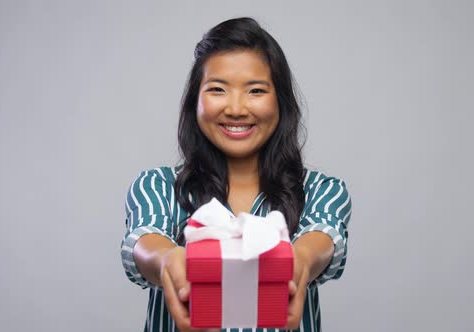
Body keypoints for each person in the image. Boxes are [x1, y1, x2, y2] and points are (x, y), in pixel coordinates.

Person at [120, 17, 352, 332]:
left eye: (255, 90)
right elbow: (146, 238)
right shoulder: (159, 186)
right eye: (218, 89)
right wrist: (166, 262)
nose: (237, 109)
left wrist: (301, 259)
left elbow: (324, 238)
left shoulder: (321, 190)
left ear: (280, 102)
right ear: (195, 101)